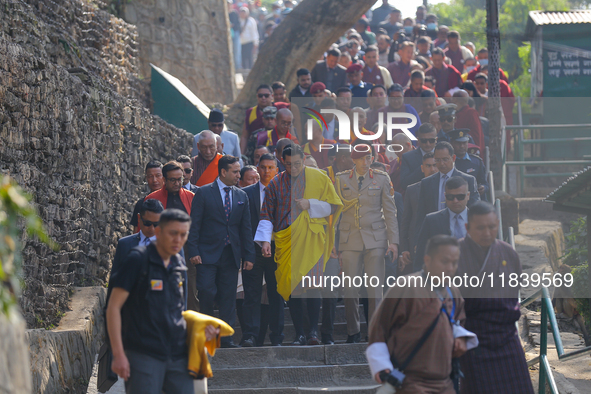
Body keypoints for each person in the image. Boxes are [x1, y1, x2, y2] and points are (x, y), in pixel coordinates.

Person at [107, 209, 208, 393]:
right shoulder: (137, 259)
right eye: (173, 233)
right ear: (159, 232)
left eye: (183, 234)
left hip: (178, 354)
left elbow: (180, 311)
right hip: (144, 353)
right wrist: (118, 353)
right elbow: (113, 307)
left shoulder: (179, 264)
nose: (178, 240)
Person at [254, 144, 342, 346]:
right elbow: (266, 214)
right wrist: (266, 241)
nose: (293, 168)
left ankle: (313, 332)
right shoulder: (276, 183)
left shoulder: (319, 177)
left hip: (312, 239)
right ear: (281, 162)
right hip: (286, 241)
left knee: (312, 286)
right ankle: (299, 333)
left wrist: (310, 203)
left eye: (296, 164)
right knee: (293, 287)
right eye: (288, 165)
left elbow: (333, 206)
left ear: (303, 159)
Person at [366, 235, 476, 394]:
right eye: (444, 262)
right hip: (410, 381)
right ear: (427, 260)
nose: (450, 268)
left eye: (454, 263)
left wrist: (460, 338)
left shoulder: (453, 291)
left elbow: (458, 321)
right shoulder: (406, 287)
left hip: (445, 382)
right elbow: (379, 329)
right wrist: (382, 367)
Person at [457, 202, 535, 394]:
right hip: (474, 338)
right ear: (467, 228)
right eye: (480, 227)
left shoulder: (509, 253)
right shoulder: (455, 254)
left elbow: (514, 292)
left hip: (507, 336)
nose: (487, 232)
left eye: (492, 227)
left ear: (498, 224)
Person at [186, 155, 255, 348]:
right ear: (223, 172)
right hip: (206, 253)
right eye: (235, 171)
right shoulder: (204, 193)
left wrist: (249, 255)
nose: (238, 175)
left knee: (228, 296)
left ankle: (225, 338)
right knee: (206, 291)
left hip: (231, 254)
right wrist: (193, 251)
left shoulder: (241, 196)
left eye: (239, 171)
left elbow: (245, 228)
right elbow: (195, 224)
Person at [335, 148, 399, 343]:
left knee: (375, 289)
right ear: (353, 160)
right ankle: (353, 331)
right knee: (350, 288)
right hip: (349, 238)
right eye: (362, 158)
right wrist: (333, 243)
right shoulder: (341, 179)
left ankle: (375, 332)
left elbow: (390, 211)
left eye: (369, 157)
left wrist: (393, 242)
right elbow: (335, 212)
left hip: (376, 238)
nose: (366, 161)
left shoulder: (381, 178)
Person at [241, 153, 284, 347]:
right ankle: (250, 335)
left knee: (277, 294)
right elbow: (243, 225)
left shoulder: (284, 192)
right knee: (251, 294)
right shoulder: (246, 193)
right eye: (263, 167)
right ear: (257, 169)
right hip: (253, 251)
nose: (267, 171)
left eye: (271, 167)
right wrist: (247, 252)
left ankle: (277, 336)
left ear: (277, 170)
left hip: (278, 251)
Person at [414, 142, 480, 246]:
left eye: (445, 159)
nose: (442, 164)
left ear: (453, 158)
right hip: (435, 236)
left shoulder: (468, 180)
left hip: (461, 233)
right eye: (438, 160)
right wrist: (418, 241)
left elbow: (475, 209)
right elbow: (421, 214)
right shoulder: (427, 183)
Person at [413, 176, 470, 270]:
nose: (455, 201)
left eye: (460, 197)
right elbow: (421, 256)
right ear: (445, 196)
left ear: (468, 196)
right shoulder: (431, 220)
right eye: (450, 197)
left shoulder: (477, 220)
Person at [399, 152, 438, 273]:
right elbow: (405, 221)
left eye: (434, 165)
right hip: (417, 244)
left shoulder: (446, 187)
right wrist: (404, 249)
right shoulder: (412, 190)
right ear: (422, 168)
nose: (432, 169)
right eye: (428, 166)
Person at [112, 199, 164, 276]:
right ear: (139, 218)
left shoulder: (171, 247)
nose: (152, 228)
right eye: (147, 223)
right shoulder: (124, 245)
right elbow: (115, 280)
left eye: (156, 224)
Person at [242, 85, 288, 152]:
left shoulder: (281, 108)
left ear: (272, 96)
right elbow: (244, 136)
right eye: (260, 95)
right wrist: (242, 155)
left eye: (266, 95)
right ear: (257, 96)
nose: (263, 98)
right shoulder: (251, 112)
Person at [449, 129, 488, 200]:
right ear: (452, 144)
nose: (462, 146)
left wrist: (483, 188)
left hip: (473, 200)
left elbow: (484, 183)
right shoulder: (448, 162)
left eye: (464, 143)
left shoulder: (476, 161)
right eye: (458, 143)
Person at [399, 123, 438, 191]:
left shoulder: (444, 155)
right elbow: (404, 184)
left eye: (431, 140)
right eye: (424, 141)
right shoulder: (408, 157)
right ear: (418, 140)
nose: (428, 144)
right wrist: (423, 168)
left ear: (436, 139)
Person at [130, 161, 164, 232]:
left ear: (164, 177)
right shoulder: (141, 203)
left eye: (158, 176)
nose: (154, 180)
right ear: (146, 178)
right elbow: (136, 233)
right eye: (150, 176)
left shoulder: (172, 200)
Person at [453, 90, 485, 156]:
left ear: (455, 99)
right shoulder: (456, 114)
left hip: (470, 153)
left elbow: (476, 137)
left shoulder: (471, 113)